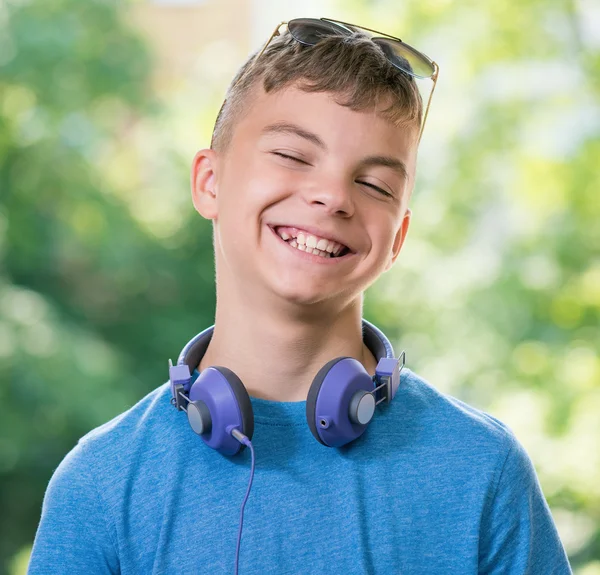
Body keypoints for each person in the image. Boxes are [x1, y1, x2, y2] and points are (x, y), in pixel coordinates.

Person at [28, 17, 572, 575]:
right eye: (292, 155)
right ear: (209, 182)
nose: (333, 196)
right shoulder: (101, 484)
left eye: (375, 184)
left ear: (397, 241)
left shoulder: (481, 469)